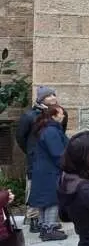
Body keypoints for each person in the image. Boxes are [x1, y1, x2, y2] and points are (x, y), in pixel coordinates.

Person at [15, 86, 61, 233]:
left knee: (47, 190)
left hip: (48, 159)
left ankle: (46, 220)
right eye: (50, 95)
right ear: (42, 99)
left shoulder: (56, 115)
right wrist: (31, 152)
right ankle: (33, 218)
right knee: (33, 188)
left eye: (54, 94)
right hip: (35, 159)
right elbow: (21, 137)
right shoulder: (29, 116)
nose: (54, 97)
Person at [28, 104, 69, 242]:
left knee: (44, 200)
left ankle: (44, 226)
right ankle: (49, 229)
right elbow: (58, 153)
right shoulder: (51, 131)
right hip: (50, 171)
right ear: (54, 115)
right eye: (61, 113)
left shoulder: (46, 129)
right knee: (52, 199)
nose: (63, 116)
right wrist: (67, 166)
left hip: (43, 170)